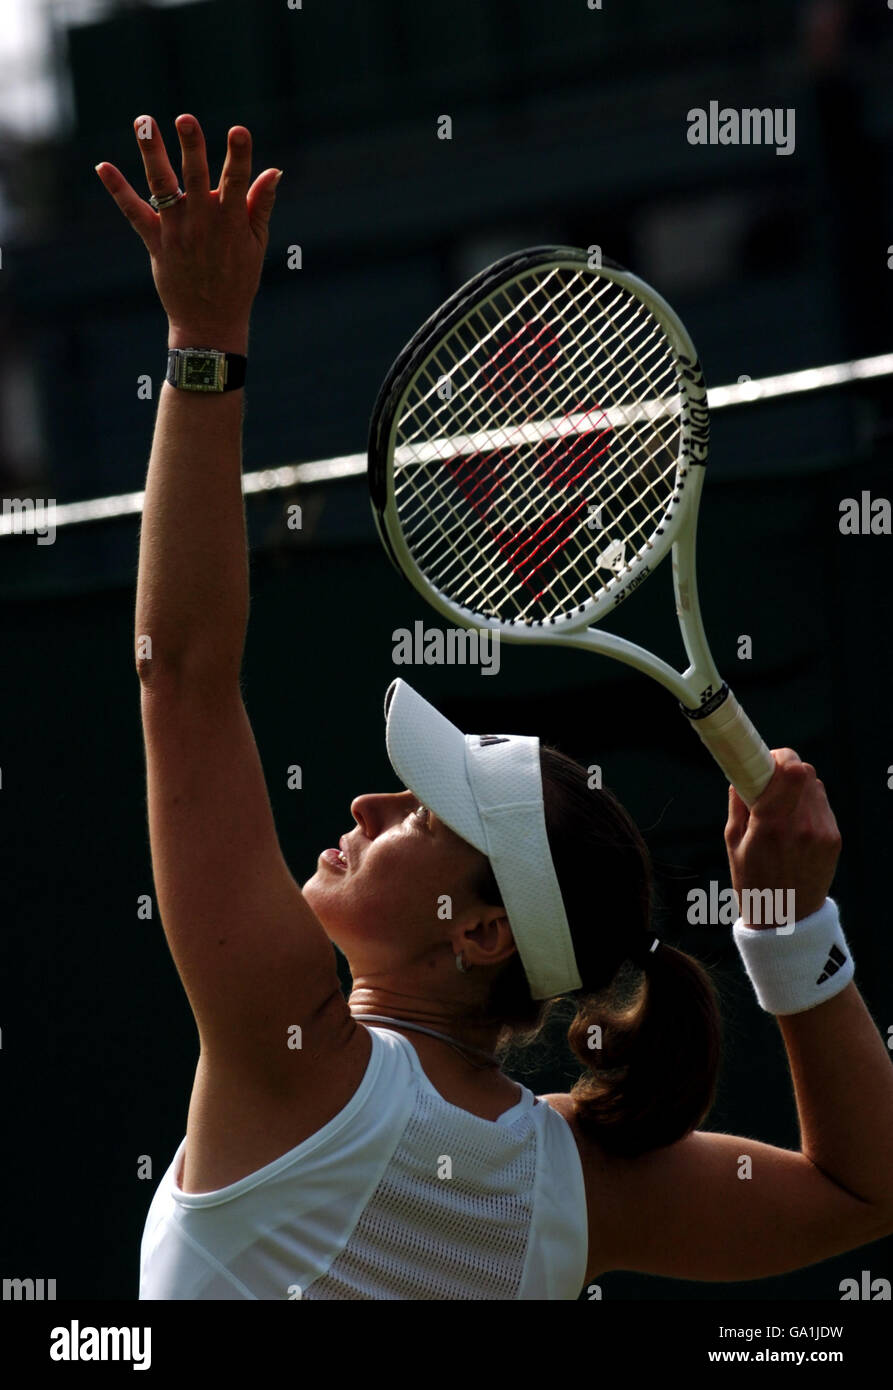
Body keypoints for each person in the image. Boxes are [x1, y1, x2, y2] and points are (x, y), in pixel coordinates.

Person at [96, 115, 893, 1300]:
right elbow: (859, 1193)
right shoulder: (583, 1185)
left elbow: (184, 674)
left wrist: (203, 337)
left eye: (421, 810)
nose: (368, 800)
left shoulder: (295, 1057)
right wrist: (785, 929)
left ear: (477, 934)